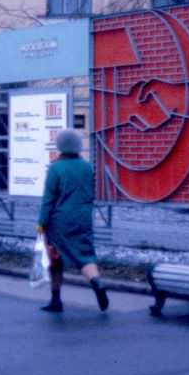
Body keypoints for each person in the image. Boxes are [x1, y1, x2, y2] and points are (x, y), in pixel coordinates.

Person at [36, 129, 108, 313]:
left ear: (60, 146)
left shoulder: (55, 168)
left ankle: (56, 300)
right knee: (85, 255)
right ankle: (96, 281)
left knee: (55, 259)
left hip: (59, 221)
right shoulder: (87, 167)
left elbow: (48, 199)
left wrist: (41, 223)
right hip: (83, 218)